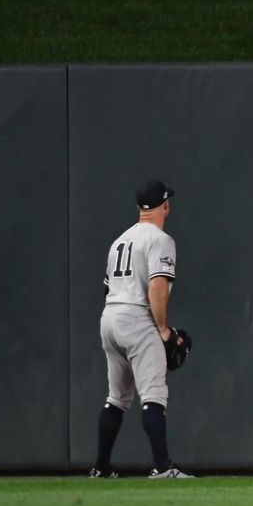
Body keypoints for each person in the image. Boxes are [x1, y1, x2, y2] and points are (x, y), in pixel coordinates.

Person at [89, 180, 192, 479]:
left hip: (110, 318)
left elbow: (108, 287)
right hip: (136, 318)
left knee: (117, 398)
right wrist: (162, 329)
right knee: (154, 395)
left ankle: (101, 467)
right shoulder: (160, 240)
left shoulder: (119, 240)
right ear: (166, 205)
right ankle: (162, 467)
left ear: (139, 208)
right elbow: (157, 286)